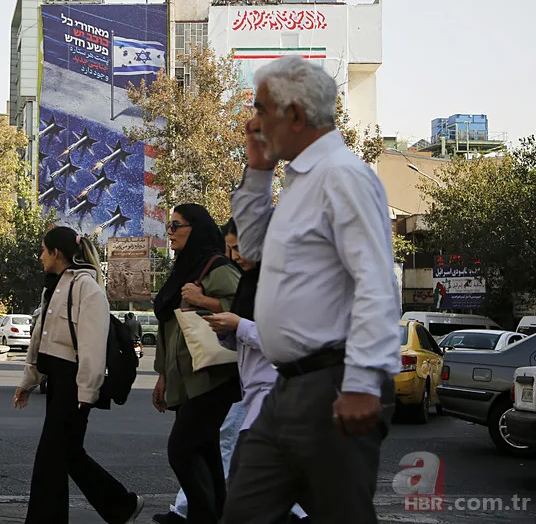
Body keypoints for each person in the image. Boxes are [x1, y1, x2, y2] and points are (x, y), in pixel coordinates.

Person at [223, 56, 400, 523]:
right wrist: (258, 172)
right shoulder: (300, 179)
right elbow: (255, 246)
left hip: (334, 383)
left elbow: (377, 283)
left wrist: (362, 383)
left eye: (261, 109)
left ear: (295, 116)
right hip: (288, 387)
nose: (252, 121)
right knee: (243, 510)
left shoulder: (343, 176)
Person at [13, 226, 144, 524]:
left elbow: (92, 348)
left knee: (50, 459)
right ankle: (121, 505)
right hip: (57, 382)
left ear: (57, 253)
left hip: (74, 385)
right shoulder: (54, 286)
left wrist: (87, 392)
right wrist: (28, 381)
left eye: (44, 250)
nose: (40, 256)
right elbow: (39, 341)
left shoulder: (87, 288)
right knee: (66, 454)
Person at [203, 219, 309, 523]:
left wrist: (239, 325)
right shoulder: (250, 281)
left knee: (244, 486)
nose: (235, 256)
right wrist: (226, 331)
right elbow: (249, 344)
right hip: (256, 396)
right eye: (230, 249)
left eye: (239, 248)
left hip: (278, 397)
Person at [152, 204, 242, 524]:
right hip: (186, 378)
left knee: (182, 449)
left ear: (196, 228)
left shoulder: (216, 267)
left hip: (213, 377)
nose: (170, 233)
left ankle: (203, 517)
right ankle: (217, 514)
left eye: (176, 226)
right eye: (169, 226)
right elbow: (169, 325)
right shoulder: (185, 269)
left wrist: (203, 300)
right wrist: (162, 376)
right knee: (206, 451)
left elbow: (248, 308)